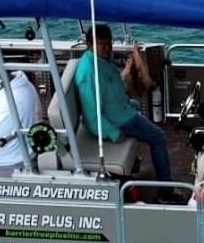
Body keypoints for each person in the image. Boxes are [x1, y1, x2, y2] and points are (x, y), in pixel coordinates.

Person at [74, 24, 176, 191]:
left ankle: (135, 160)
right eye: (102, 44)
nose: (108, 48)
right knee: (159, 137)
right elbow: (91, 116)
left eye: (110, 43)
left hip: (121, 108)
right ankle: (166, 191)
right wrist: (114, 134)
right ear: (90, 45)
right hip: (118, 119)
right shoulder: (88, 73)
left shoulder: (100, 60)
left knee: (136, 105)